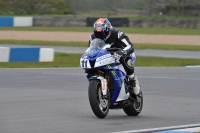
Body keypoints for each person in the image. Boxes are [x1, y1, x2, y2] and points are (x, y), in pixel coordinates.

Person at [88, 18, 140, 95]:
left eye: (101, 33)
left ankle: (133, 80)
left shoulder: (117, 34)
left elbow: (130, 46)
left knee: (125, 58)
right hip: (106, 55)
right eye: (97, 33)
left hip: (121, 53)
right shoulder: (92, 37)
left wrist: (123, 52)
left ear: (107, 30)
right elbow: (91, 50)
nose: (99, 35)